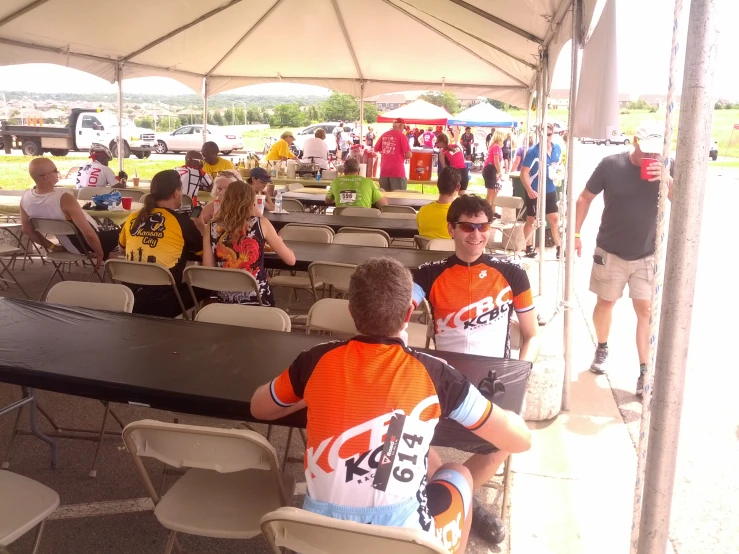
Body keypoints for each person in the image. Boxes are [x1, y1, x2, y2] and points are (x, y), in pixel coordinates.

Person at [250, 256, 532, 554]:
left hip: (316, 538)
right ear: (410, 311)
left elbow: (259, 407)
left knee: (418, 453)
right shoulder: (437, 375)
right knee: (456, 473)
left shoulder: (314, 361)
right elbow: (519, 441)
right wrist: (514, 416)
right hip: (404, 544)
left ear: (351, 311)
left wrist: (311, 390)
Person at [411, 194, 540, 544]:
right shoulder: (428, 273)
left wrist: (521, 376)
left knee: (505, 442)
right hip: (443, 379)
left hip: (493, 380)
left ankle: (463, 498)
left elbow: (532, 335)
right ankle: (462, 495)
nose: (476, 235)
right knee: (408, 435)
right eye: (468, 227)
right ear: (452, 228)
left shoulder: (512, 272)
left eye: (483, 226)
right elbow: (394, 315)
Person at [575, 125, 673, 396]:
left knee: (646, 311)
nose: (652, 154)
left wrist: (667, 180)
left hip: (647, 253)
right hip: (611, 250)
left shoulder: (667, 166)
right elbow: (584, 198)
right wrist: (575, 233)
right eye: (647, 148)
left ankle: (644, 372)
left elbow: (683, 201)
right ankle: (602, 348)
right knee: (605, 302)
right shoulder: (611, 164)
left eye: (657, 149)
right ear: (635, 142)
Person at [118, 169, 204, 318]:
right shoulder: (182, 222)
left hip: (128, 298)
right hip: (163, 303)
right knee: (207, 284)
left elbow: (122, 249)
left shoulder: (133, 217)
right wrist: (203, 227)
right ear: (177, 193)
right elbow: (204, 254)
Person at [203, 180, 295, 307]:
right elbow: (290, 260)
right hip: (258, 300)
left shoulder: (211, 227)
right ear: (251, 201)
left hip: (223, 299)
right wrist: (278, 240)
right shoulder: (261, 224)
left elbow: (208, 268)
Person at [21, 158, 119, 267]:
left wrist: (53, 247)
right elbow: (88, 234)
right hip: (89, 245)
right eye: (55, 170)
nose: (58, 173)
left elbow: (27, 230)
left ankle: (113, 260)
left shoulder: (25, 198)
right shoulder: (64, 199)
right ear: (46, 177)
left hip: (69, 246)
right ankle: (115, 265)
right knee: (129, 229)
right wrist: (100, 253)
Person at [520, 123, 562, 259]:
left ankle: (559, 247)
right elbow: (523, 173)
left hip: (551, 188)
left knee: (554, 218)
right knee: (532, 219)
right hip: (535, 190)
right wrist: (529, 189)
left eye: (550, 134)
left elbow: (559, 165)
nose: (547, 138)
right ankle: (528, 247)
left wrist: (559, 174)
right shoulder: (533, 152)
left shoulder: (557, 148)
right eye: (544, 134)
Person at [416, 167, 460, 239]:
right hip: (448, 249)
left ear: (437, 184)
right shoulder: (458, 215)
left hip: (425, 249)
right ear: (458, 187)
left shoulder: (422, 211)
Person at [374, 118, 412, 191]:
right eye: (403, 127)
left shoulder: (384, 134)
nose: (403, 128)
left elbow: (376, 149)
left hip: (384, 171)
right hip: (397, 171)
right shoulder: (402, 136)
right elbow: (408, 155)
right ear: (401, 125)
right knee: (398, 198)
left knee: (385, 197)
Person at [482, 131, 504, 211]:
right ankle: (487, 211)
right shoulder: (496, 147)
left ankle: (493, 210)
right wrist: (500, 172)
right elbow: (496, 161)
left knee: (495, 192)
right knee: (490, 192)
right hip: (490, 169)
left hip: (491, 169)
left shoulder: (495, 146)